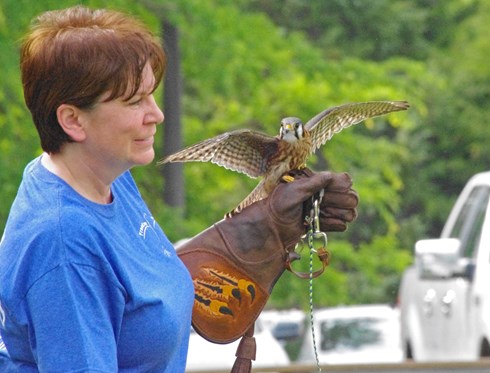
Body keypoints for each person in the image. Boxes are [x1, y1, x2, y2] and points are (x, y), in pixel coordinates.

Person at [0, 5, 358, 372]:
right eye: (134, 101)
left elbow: (140, 294)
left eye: (151, 94)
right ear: (73, 120)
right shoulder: (63, 244)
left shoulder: (106, 177)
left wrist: (265, 228)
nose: (156, 114)